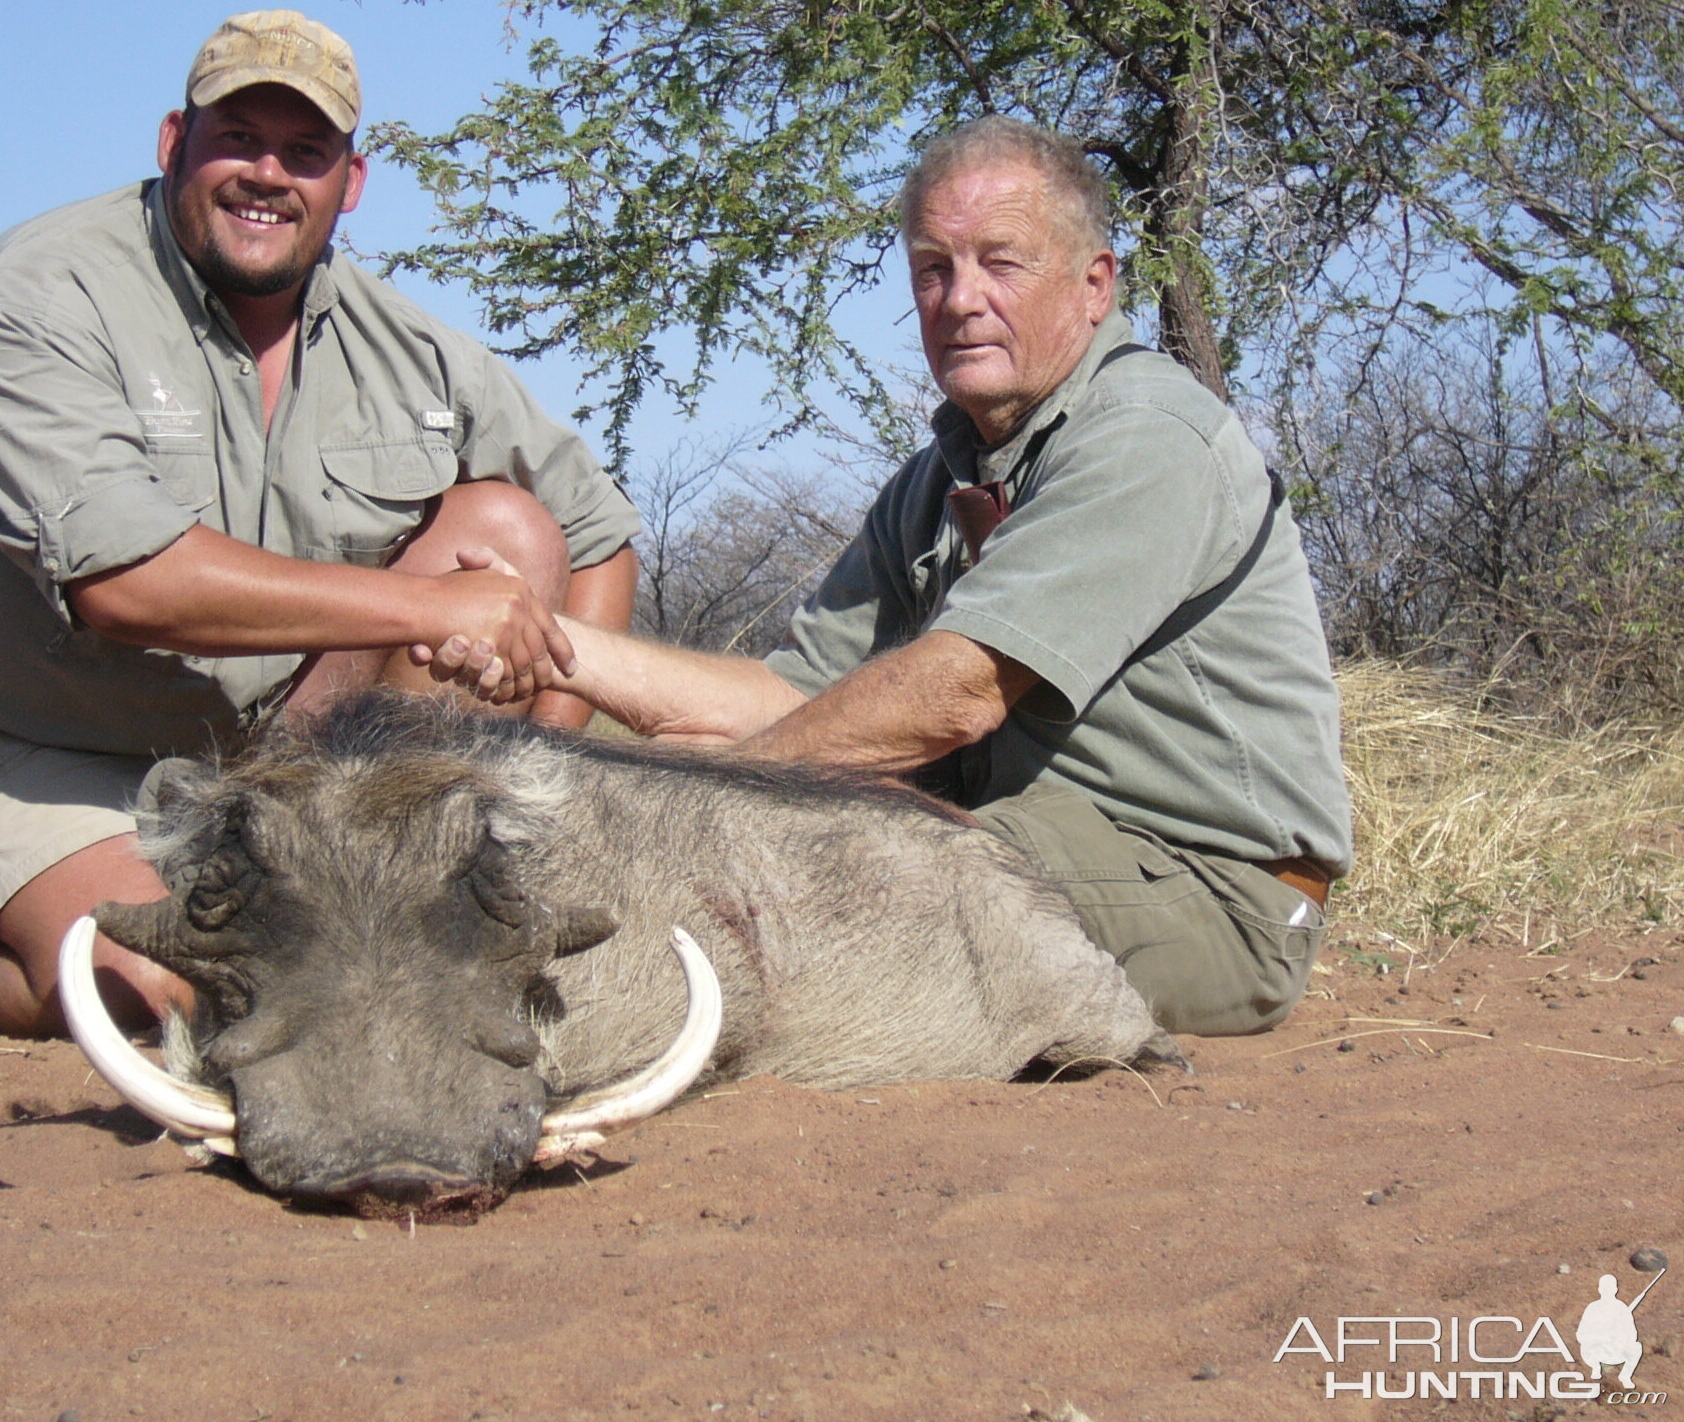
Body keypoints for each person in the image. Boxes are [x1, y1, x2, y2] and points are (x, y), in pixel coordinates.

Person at [425, 116, 1351, 1037]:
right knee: (765, 828)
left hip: (1217, 897)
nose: (962, 300)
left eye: (1003, 262)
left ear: (1094, 283)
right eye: (934, 269)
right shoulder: (936, 477)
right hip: (1023, 841)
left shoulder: (1149, 435)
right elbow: (790, 695)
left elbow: (956, 695)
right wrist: (551, 643)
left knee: (837, 863)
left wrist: (696, 805)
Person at [0, 11, 640, 1038]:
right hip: (43, 748)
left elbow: (596, 538)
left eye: (305, 151)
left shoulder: (403, 342)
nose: (269, 173)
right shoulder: (28, 301)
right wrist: (430, 604)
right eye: (237, 138)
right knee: (181, 996)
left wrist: (537, 785)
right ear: (171, 143)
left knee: (505, 528)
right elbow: (126, 584)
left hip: (275, 752)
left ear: (348, 183)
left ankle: (393, 865)